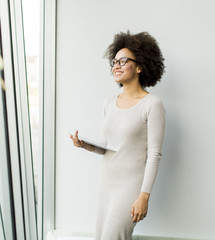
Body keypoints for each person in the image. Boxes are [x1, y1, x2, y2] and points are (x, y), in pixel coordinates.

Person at [70, 31, 166, 240]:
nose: (116, 65)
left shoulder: (152, 105)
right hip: (106, 182)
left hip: (130, 187)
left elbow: (154, 154)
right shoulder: (108, 103)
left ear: (140, 66)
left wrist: (144, 196)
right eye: (114, 61)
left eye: (123, 61)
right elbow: (109, 145)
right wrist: (85, 145)